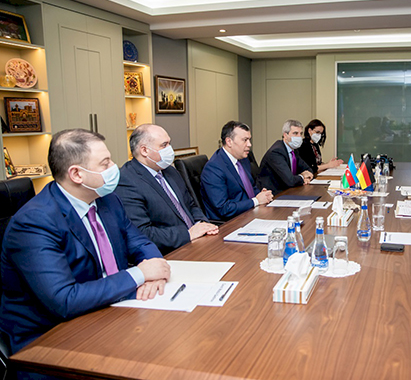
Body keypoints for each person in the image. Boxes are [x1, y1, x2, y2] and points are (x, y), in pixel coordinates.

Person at [0, 129, 171, 354]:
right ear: (76, 174)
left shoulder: (108, 199)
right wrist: (139, 274)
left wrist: (154, 273)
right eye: (105, 163)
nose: (114, 167)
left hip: (110, 310)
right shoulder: (34, 222)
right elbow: (64, 300)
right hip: (49, 337)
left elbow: (140, 242)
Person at [116, 124, 218, 254]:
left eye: (169, 143)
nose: (170, 149)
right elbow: (143, 233)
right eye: (164, 145)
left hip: (198, 241)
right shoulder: (126, 180)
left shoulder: (170, 171)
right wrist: (187, 234)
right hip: (170, 252)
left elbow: (190, 205)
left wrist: (202, 224)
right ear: (144, 150)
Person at [201, 121, 274, 221]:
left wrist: (262, 195)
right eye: (245, 140)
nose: (249, 144)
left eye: (249, 140)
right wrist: (256, 201)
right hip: (230, 222)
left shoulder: (242, 159)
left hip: (249, 214)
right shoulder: (213, 168)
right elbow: (224, 208)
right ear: (229, 142)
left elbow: (251, 187)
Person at [258, 119, 314, 195]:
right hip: (273, 194)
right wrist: (302, 177)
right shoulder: (276, 152)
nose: (299, 137)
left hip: (287, 189)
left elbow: (308, 169)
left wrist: (306, 175)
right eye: (295, 133)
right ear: (285, 135)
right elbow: (290, 180)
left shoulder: (294, 150)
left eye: (300, 133)